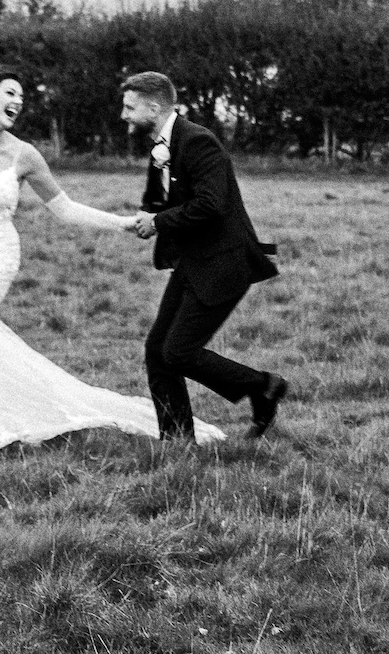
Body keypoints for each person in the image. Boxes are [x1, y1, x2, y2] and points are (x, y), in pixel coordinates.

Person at [0, 65, 225, 459]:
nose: (18, 101)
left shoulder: (24, 154)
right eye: (10, 93)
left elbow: (65, 209)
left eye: (21, 97)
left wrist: (123, 223)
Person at [120, 72, 289, 440]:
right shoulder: (162, 147)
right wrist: (144, 218)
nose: (124, 115)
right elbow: (160, 200)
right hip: (193, 262)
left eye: (130, 107)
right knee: (157, 351)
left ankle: (263, 386)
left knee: (178, 352)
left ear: (154, 108)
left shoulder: (198, 141)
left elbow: (210, 204)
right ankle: (177, 439)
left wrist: (158, 221)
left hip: (224, 263)